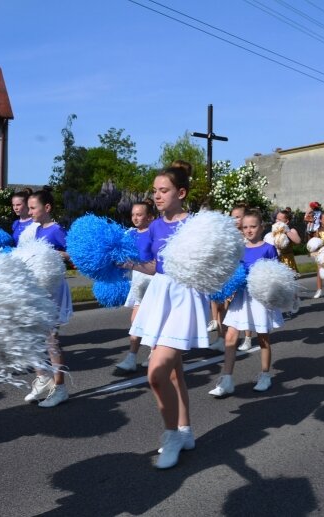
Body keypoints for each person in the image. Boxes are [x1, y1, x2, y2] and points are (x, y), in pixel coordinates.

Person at [127, 163, 207, 469]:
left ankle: (171, 434)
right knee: (175, 373)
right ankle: (185, 430)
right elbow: (153, 267)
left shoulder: (197, 225)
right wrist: (128, 263)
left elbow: (211, 263)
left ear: (181, 193)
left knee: (156, 373)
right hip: (160, 298)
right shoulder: (156, 226)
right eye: (155, 191)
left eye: (164, 191)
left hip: (184, 298)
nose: (157, 196)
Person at [209, 210, 282, 397]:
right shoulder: (239, 248)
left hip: (260, 299)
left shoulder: (268, 248)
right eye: (245, 227)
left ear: (261, 227)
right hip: (241, 298)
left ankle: (265, 375)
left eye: (253, 226)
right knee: (230, 337)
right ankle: (226, 380)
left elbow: (277, 274)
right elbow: (232, 271)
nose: (249, 230)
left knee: (263, 338)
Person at [22, 188, 72, 408]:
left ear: (47, 208)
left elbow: (73, 254)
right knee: (31, 334)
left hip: (54, 289)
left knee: (51, 338)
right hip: (39, 288)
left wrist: (56, 254)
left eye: (33, 207)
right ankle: (43, 378)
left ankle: (60, 388)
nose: (29, 211)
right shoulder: (36, 230)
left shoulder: (56, 230)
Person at [115, 200, 156, 372]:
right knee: (135, 321)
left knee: (154, 319)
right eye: (133, 214)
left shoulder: (154, 234)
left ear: (149, 217)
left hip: (153, 279)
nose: (135, 218)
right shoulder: (130, 234)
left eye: (139, 215)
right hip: (137, 279)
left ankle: (153, 354)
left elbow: (156, 262)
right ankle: (131, 358)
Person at [208, 204, 247, 351]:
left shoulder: (246, 234)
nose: (235, 220)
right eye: (233, 216)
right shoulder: (228, 233)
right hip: (225, 273)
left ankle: (236, 338)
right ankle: (221, 337)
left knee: (231, 309)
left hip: (237, 275)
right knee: (219, 306)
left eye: (238, 216)